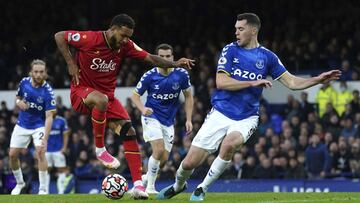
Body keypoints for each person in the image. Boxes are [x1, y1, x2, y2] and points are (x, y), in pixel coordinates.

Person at [157, 13, 341, 201]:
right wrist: (251, 83)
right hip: (220, 113)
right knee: (188, 163)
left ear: (253, 30)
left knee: (229, 145)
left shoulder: (268, 57)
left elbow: (292, 82)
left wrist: (318, 79)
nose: (236, 32)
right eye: (236, 28)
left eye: (240, 29)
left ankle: (201, 189)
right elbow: (221, 82)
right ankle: (179, 186)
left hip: (246, 117)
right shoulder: (230, 50)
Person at [54, 14, 194, 199]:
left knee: (129, 132)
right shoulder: (90, 39)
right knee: (101, 99)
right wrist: (71, 63)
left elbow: (151, 58)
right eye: (123, 35)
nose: (126, 40)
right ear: (113, 29)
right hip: (81, 93)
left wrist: (175, 64)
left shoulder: (125, 45)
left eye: (129, 36)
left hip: (107, 98)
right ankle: (100, 149)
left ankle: (138, 186)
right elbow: (60, 35)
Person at [131, 43, 194, 194]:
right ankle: (150, 188)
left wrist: (189, 119)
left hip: (168, 120)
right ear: (156, 58)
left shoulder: (181, 74)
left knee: (163, 160)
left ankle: (144, 180)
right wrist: (142, 108)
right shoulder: (149, 75)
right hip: (151, 116)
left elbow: (188, 97)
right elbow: (135, 96)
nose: (165, 59)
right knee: (158, 150)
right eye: (161, 56)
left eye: (168, 56)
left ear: (172, 58)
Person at [9, 59, 56, 195]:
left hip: (39, 126)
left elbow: (49, 117)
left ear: (45, 73)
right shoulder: (24, 82)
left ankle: (43, 188)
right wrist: (19, 103)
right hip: (22, 124)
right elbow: (17, 97)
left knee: (40, 152)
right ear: (31, 72)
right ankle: (20, 184)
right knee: (12, 155)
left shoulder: (48, 92)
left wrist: (45, 139)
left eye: (41, 72)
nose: (39, 75)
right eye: (36, 72)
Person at [45, 115, 70, 194]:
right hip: (47, 150)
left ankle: (61, 191)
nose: (53, 110)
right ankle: (45, 191)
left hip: (58, 150)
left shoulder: (62, 120)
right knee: (46, 170)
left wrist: (64, 147)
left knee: (62, 169)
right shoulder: (43, 119)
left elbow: (66, 134)